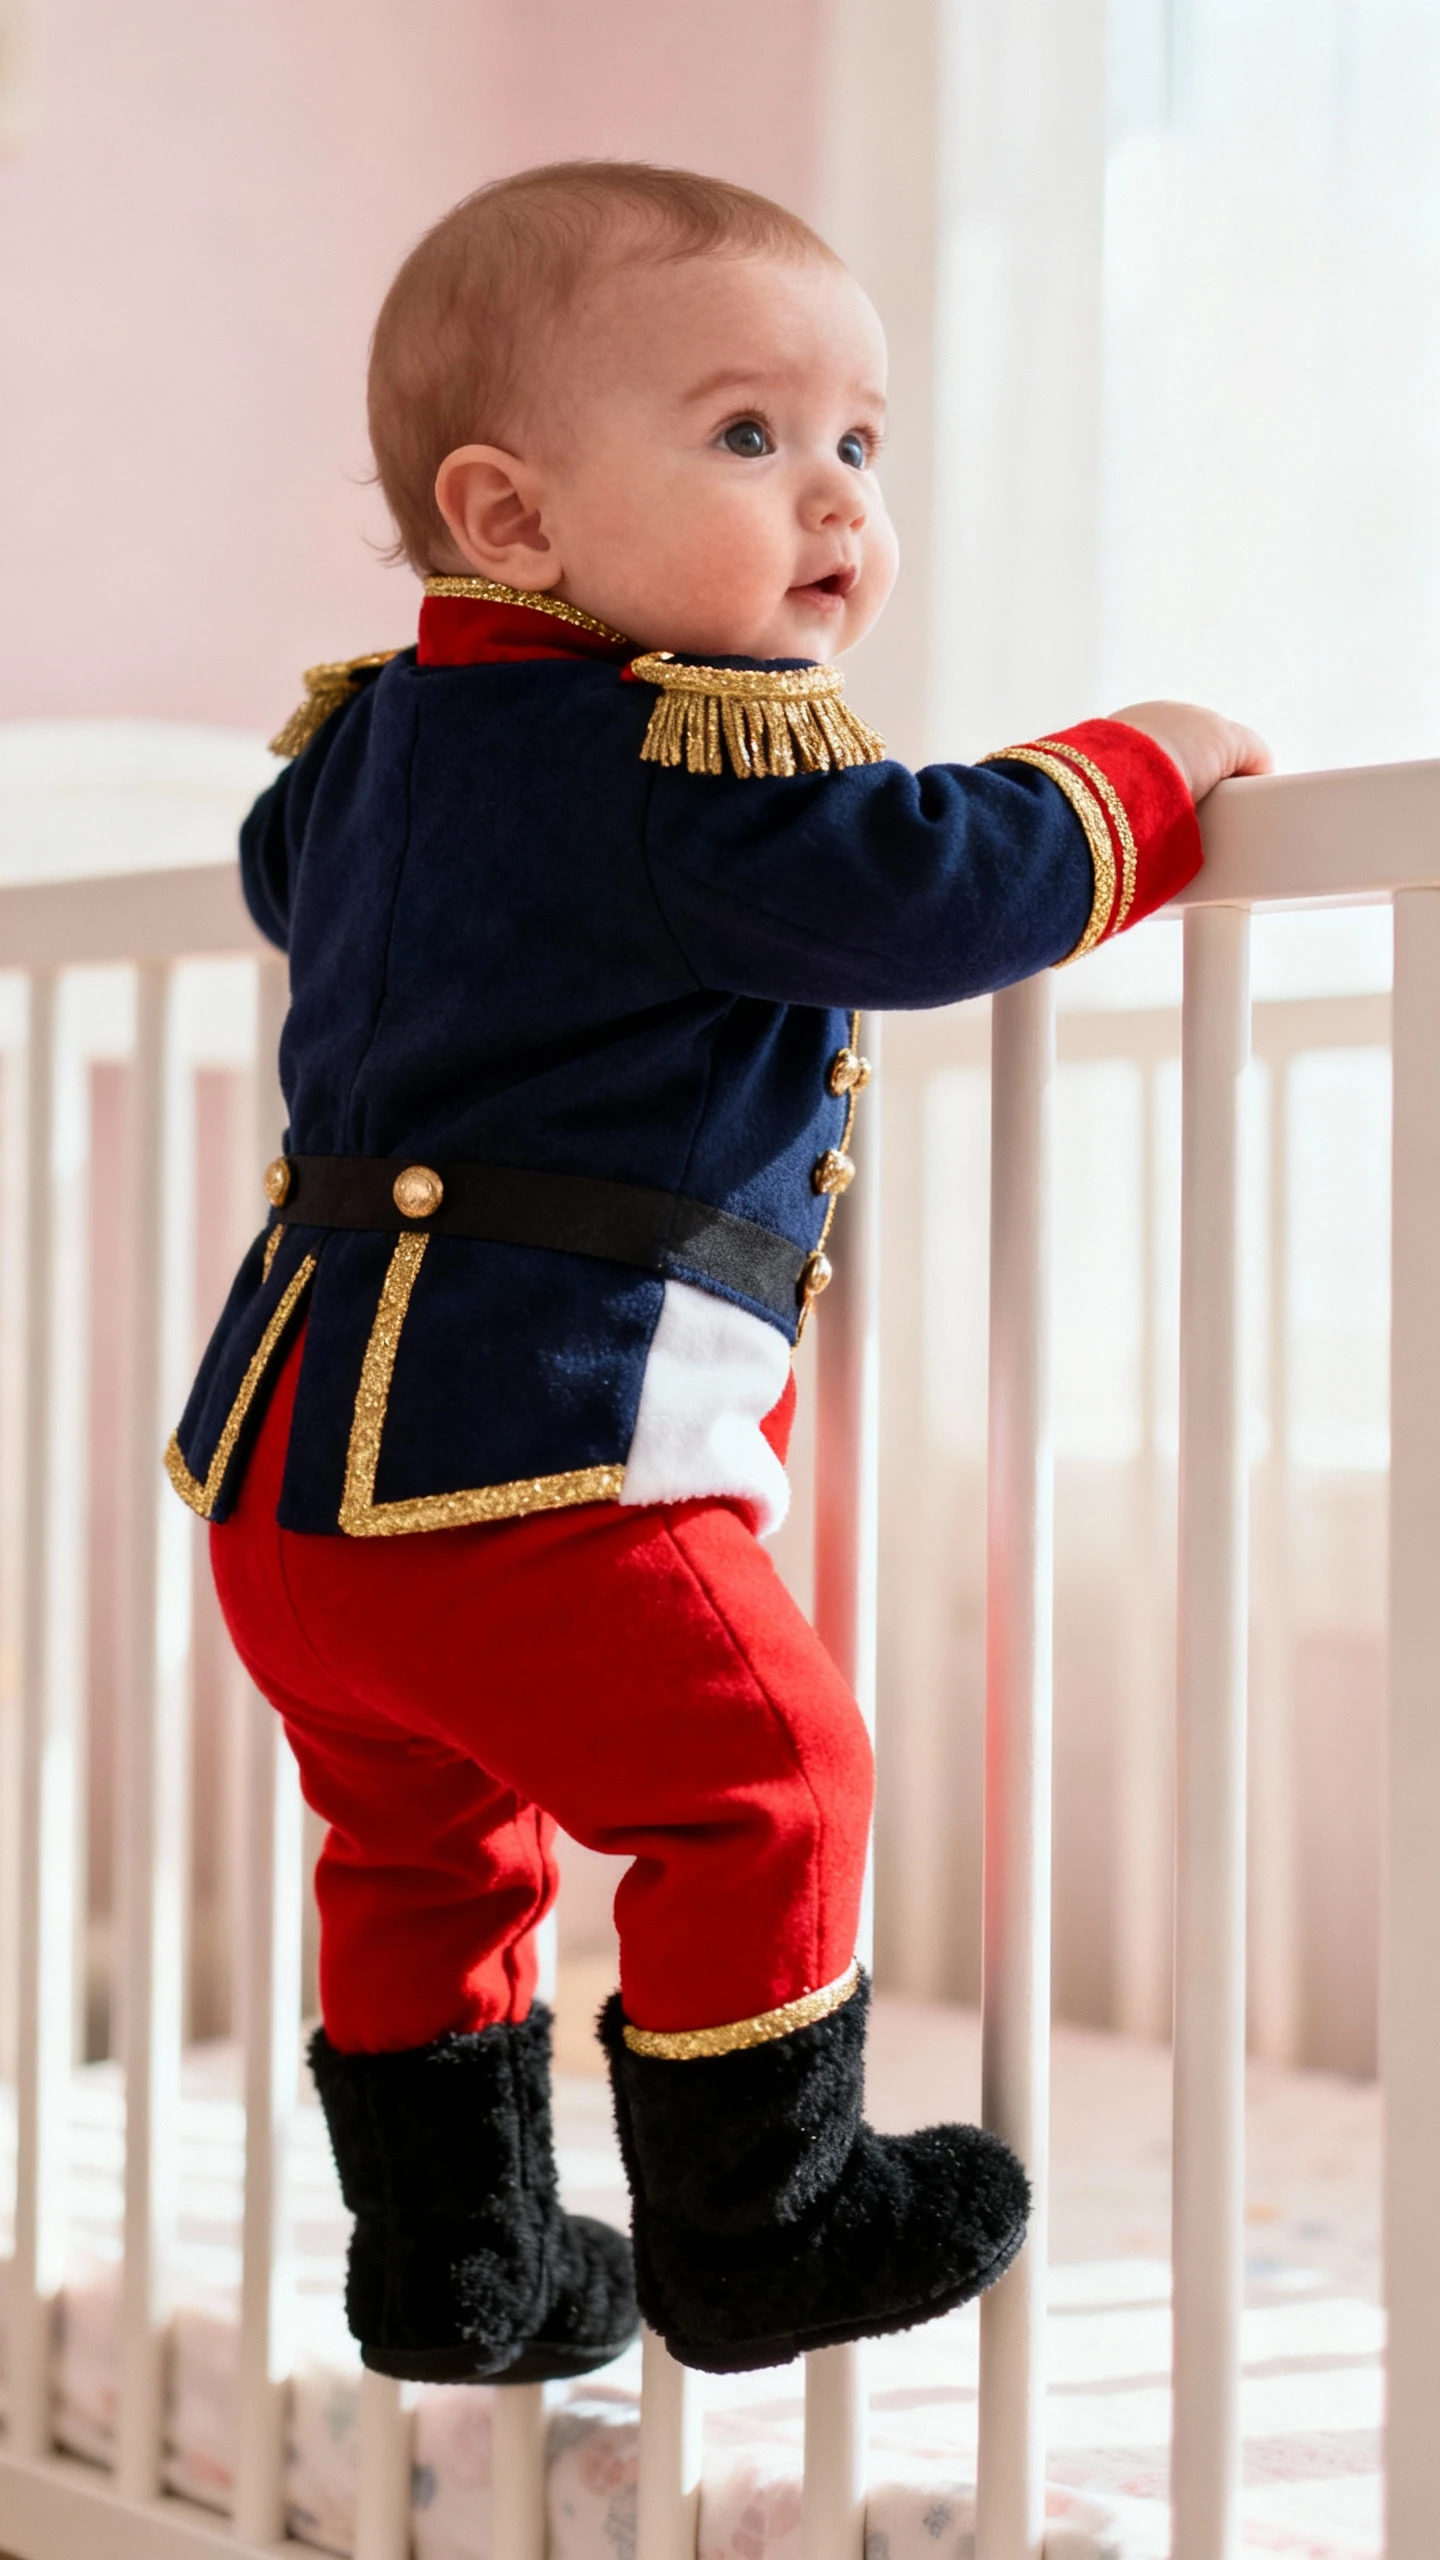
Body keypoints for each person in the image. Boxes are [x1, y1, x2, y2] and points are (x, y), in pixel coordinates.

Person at [168, 161, 1269, 2382]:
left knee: (422, 1850)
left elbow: (285, 878)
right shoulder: (670, 762)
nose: (839, 493)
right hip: (530, 1474)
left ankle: (455, 2264)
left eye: (862, 437)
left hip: (284, 1490)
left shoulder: (365, 753)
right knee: (775, 1772)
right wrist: (1144, 772)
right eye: (750, 435)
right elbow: (931, 886)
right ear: (511, 516)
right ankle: (768, 2218)